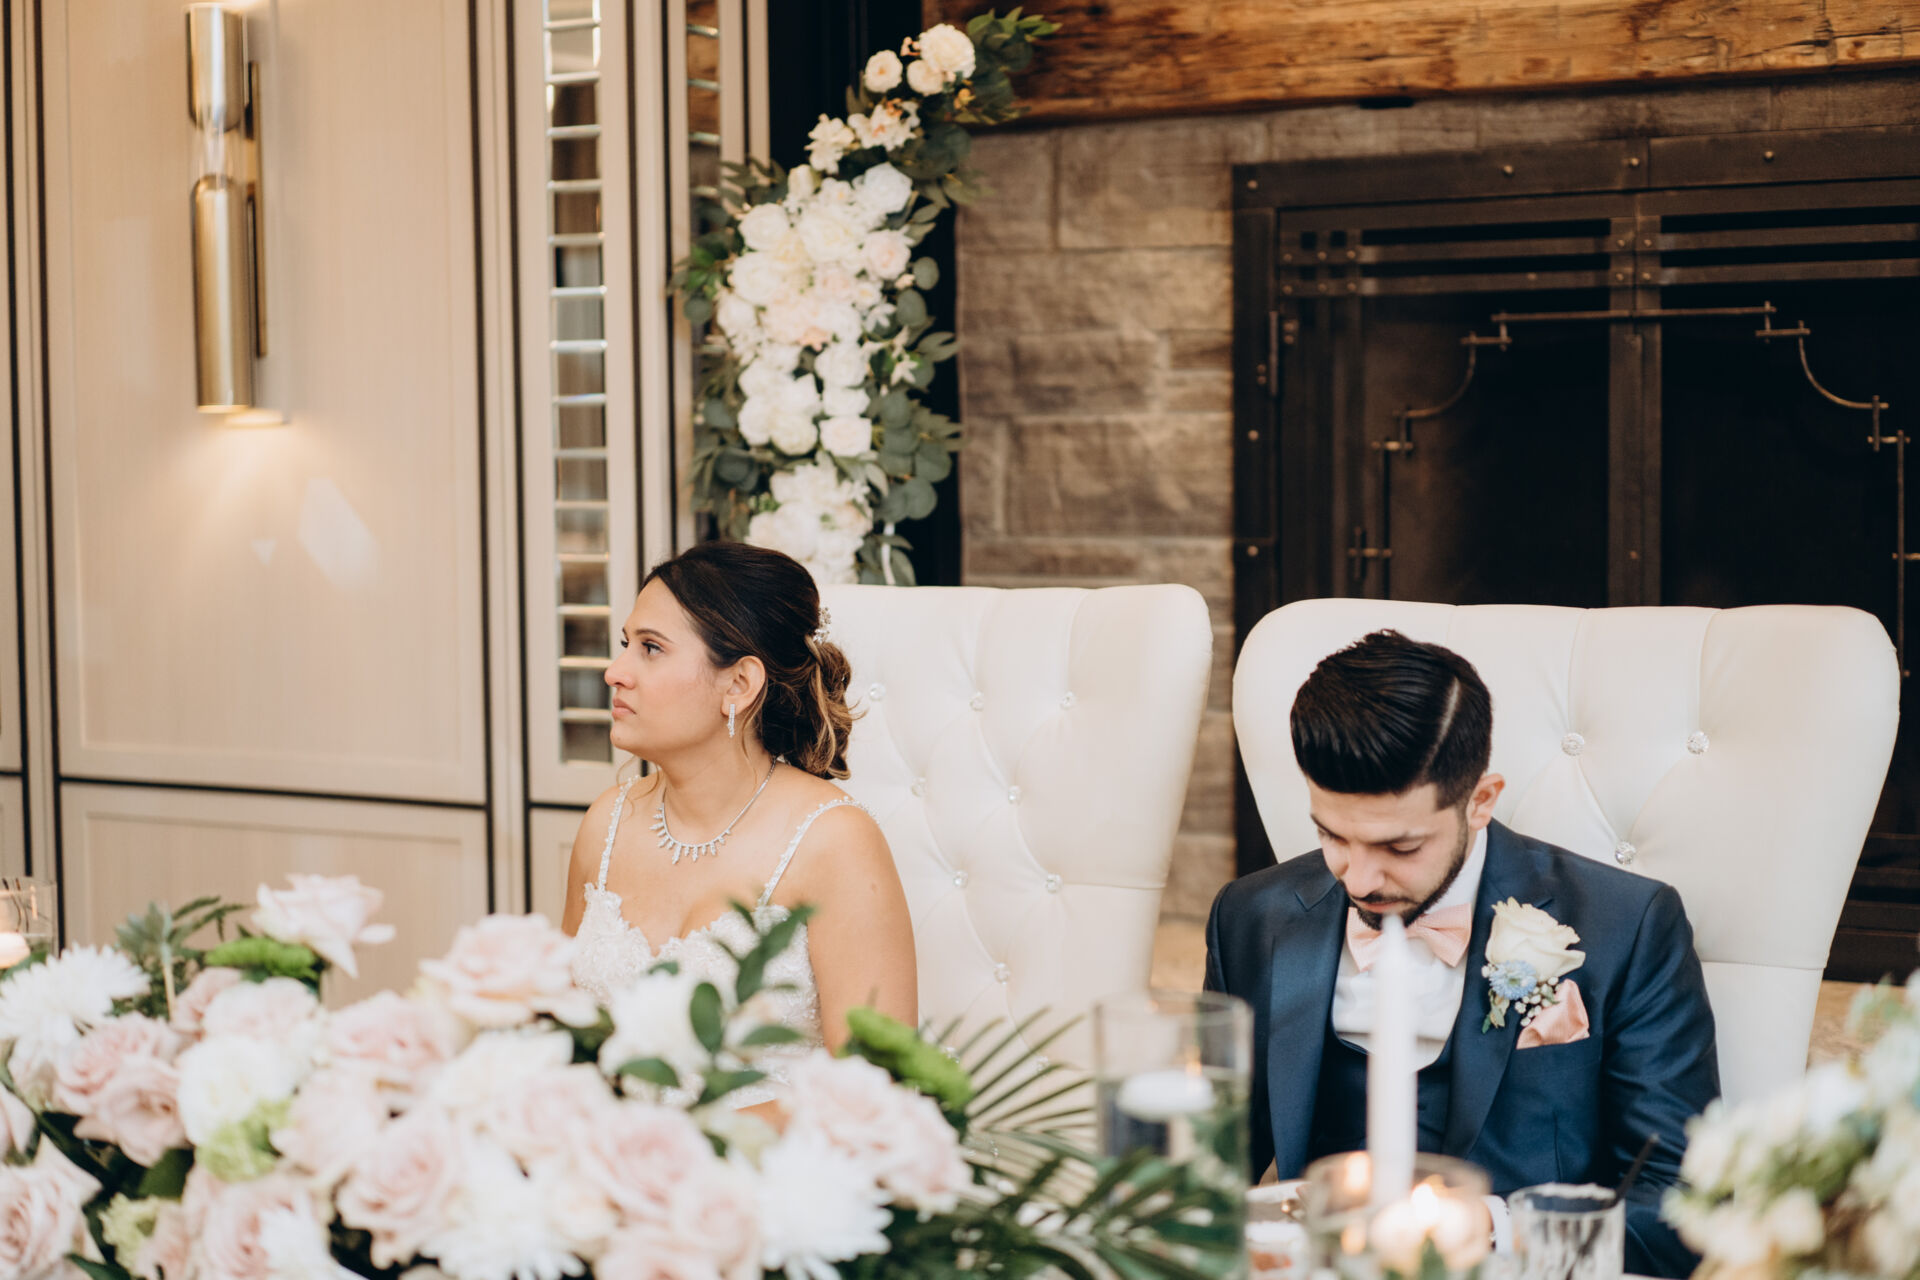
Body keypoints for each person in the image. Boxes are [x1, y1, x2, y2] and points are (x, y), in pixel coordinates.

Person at [1205, 630, 1717, 1277]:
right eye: (1332, 836)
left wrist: (1495, 1228)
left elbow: (1685, 1205)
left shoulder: (1627, 924)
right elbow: (1206, 1173)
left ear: (1480, 801)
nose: (1358, 879)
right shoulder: (1252, 917)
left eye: (1400, 847)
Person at [562, 541, 916, 1105]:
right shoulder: (606, 822)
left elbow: (874, 1092)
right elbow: (568, 1036)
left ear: (739, 685)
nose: (614, 672)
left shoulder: (834, 841)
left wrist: (685, 1141)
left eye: (651, 648)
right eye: (625, 645)